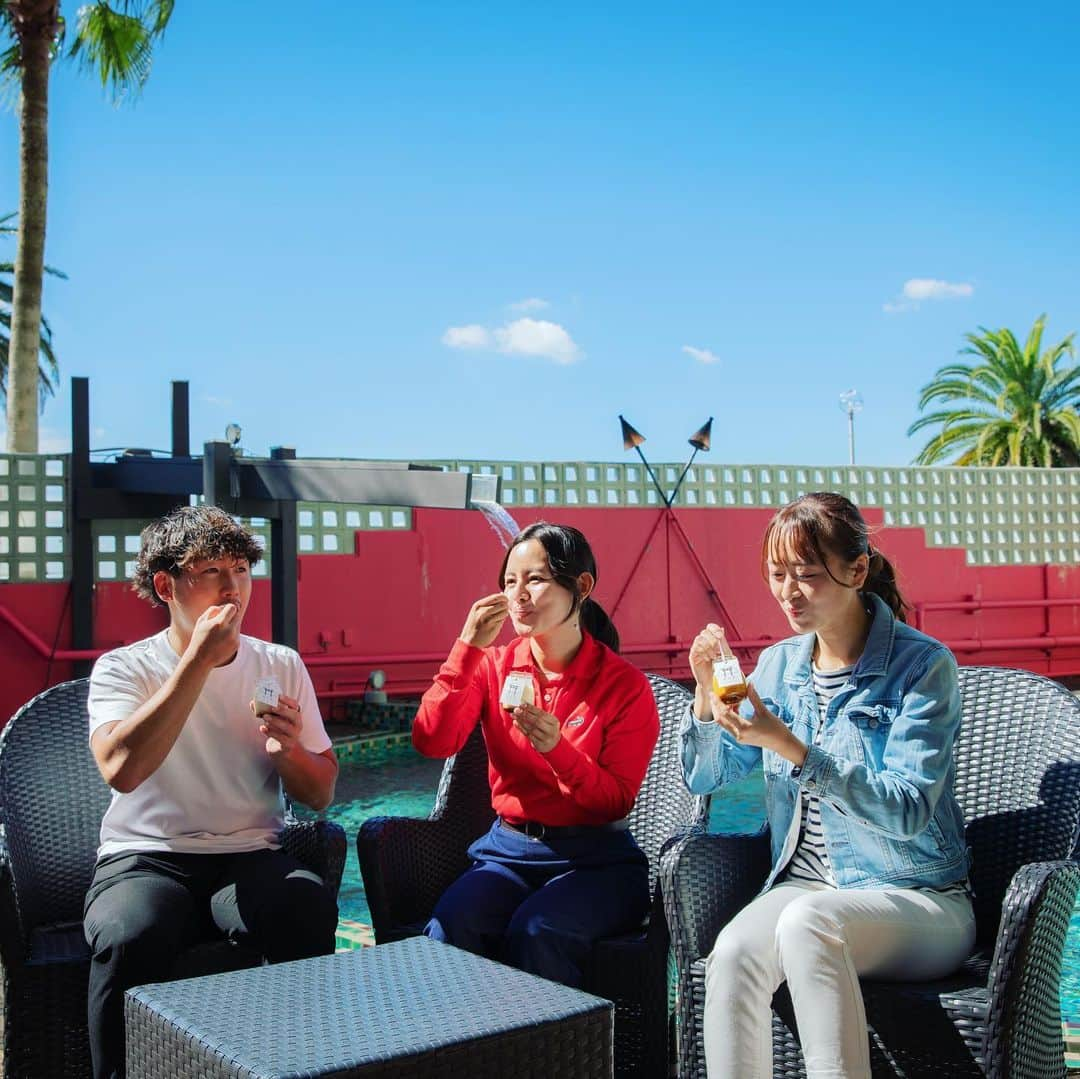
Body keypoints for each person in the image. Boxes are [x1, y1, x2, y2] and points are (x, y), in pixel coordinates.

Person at [681, 492, 974, 1079]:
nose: (789, 592)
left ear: (857, 569)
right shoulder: (778, 665)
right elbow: (707, 776)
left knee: (808, 922)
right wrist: (706, 699)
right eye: (776, 575)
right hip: (806, 888)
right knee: (733, 956)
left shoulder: (922, 667)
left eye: (808, 575)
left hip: (920, 900)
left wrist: (789, 744)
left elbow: (909, 809)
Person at [83, 505, 340, 1079]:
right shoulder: (124, 669)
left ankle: (300, 1064)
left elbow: (321, 794)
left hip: (249, 854)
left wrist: (289, 754)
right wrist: (197, 662)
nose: (232, 588)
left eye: (242, 570)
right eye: (211, 572)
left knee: (305, 907)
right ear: (166, 585)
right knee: (130, 935)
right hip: (145, 857)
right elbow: (121, 770)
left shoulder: (279, 664)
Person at [413, 521, 660, 987]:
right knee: (449, 928)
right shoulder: (494, 665)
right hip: (507, 852)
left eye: (535, 579)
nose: (518, 594)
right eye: (510, 582)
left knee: (537, 933)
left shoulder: (623, 685)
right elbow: (432, 740)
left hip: (597, 861)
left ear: (580, 586)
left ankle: (555, 1058)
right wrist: (466, 650)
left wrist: (556, 749)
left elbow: (615, 802)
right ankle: (455, 1054)